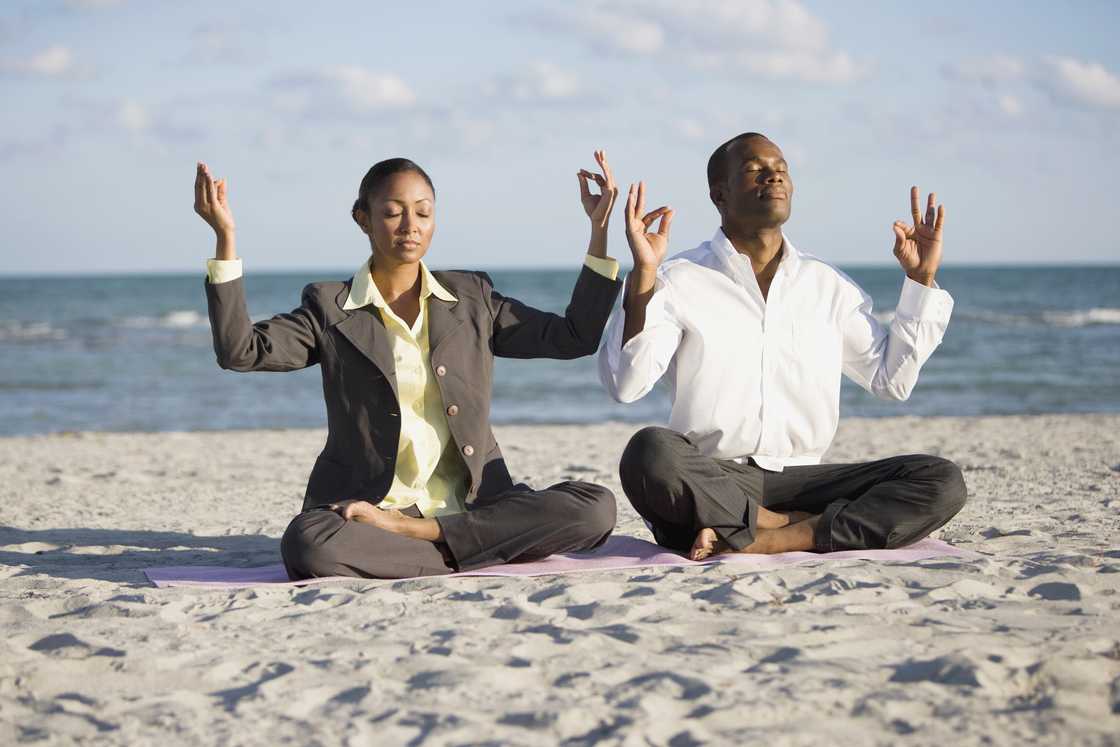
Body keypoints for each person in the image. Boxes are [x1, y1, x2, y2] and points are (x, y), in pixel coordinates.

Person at [193, 151, 624, 579]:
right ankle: (479, 549)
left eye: (422, 212)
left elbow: (574, 337)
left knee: (596, 506)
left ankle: (424, 535)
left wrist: (600, 231)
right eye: (393, 213)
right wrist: (225, 239)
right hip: (369, 510)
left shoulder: (472, 299)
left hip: (474, 506)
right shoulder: (330, 307)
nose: (410, 226)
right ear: (363, 219)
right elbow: (241, 351)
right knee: (308, 543)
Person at [599, 132, 966, 561]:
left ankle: (770, 534)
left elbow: (891, 380)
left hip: (808, 483)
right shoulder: (678, 278)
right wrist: (644, 273)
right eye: (755, 170)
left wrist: (920, 282)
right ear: (720, 193)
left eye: (781, 170)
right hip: (715, 479)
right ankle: (779, 524)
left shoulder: (827, 284)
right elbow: (626, 385)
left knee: (939, 479)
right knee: (650, 453)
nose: (774, 177)